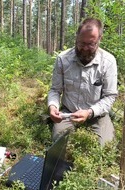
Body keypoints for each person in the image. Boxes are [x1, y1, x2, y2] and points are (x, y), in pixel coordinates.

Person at [47, 18, 118, 146]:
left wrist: (89, 112)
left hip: (97, 115)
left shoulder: (108, 61)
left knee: (106, 147)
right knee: (59, 146)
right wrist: (53, 107)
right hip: (68, 113)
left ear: (99, 40)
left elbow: (110, 96)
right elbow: (55, 90)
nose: (85, 48)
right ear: (76, 38)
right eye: (81, 43)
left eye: (90, 44)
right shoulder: (63, 59)